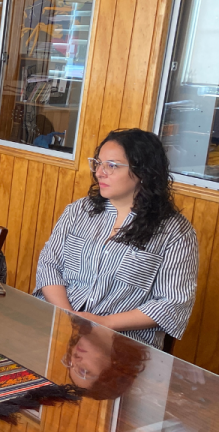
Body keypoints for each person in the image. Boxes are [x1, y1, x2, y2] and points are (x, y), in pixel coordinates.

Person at [35, 128, 199, 348]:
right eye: (98, 163)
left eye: (112, 165)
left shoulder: (175, 232)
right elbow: (49, 265)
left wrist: (105, 323)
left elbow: (172, 303)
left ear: (144, 172)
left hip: (122, 343)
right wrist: (68, 316)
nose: (100, 172)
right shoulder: (79, 211)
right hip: (57, 322)